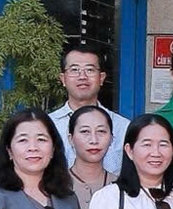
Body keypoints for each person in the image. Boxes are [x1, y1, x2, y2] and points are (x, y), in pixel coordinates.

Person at [49, 41, 128, 175]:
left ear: (101, 78)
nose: (82, 77)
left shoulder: (122, 127)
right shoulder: (48, 125)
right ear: (63, 79)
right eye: (74, 70)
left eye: (90, 70)